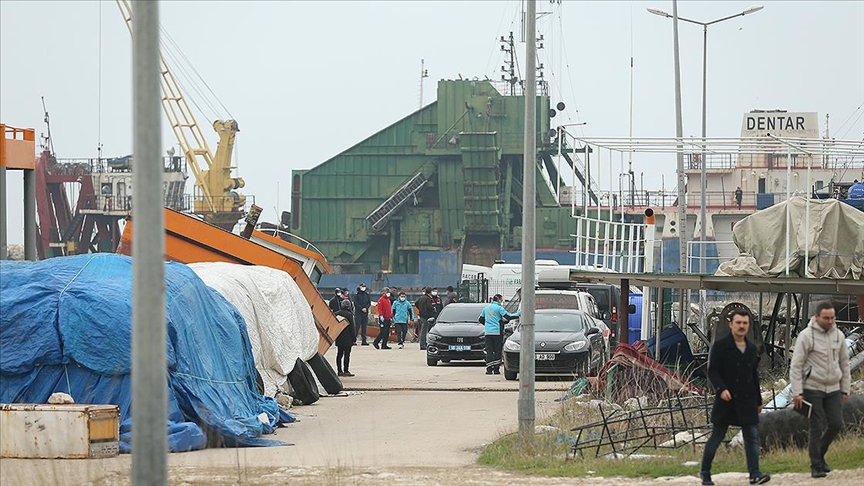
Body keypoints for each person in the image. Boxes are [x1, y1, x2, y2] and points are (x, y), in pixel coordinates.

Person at [700, 309, 769, 486]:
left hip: (747, 401)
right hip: (726, 401)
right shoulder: (721, 346)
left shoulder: (752, 348)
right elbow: (713, 371)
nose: (741, 326)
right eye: (738, 323)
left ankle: (755, 474)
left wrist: (759, 401)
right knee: (716, 437)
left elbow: (754, 376)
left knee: (752, 437)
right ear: (731, 324)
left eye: (745, 323)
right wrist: (721, 388)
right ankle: (705, 473)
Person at [790, 302, 851, 478]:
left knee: (836, 423)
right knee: (816, 425)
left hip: (833, 387)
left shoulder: (838, 336)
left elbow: (845, 364)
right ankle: (816, 465)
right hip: (812, 387)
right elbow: (796, 366)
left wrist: (845, 389)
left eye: (832, 318)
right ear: (817, 317)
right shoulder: (806, 336)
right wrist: (797, 392)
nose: (830, 321)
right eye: (826, 318)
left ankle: (820, 454)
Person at [479, 294, 520, 375]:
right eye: (501, 300)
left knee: (489, 351)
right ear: (498, 299)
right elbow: (508, 316)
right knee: (497, 350)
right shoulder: (499, 308)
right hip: (497, 332)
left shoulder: (486, 308)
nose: (502, 301)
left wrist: (488, 325)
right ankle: (496, 369)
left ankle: (489, 369)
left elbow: (481, 319)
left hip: (488, 333)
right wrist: (518, 314)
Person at [334, 299, 356, 377]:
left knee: (339, 354)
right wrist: (354, 338)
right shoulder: (349, 315)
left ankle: (339, 371)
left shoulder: (336, 314)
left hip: (339, 337)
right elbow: (352, 328)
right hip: (348, 338)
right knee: (347, 355)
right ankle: (346, 370)